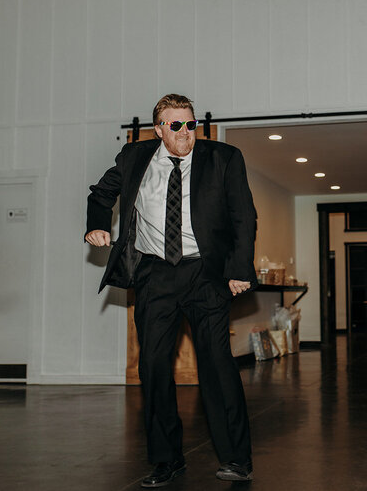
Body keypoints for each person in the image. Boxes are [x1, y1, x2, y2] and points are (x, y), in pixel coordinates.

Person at [85, 94, 258, 486]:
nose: (185, 132)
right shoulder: (134, 158)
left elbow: (243, 216)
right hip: (155, 275)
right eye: (175, 125)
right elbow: (101, 193)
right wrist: (97, 224)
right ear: (159, 128)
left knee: (217, 365)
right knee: (154, 367)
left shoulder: (224, 158)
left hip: (205, 273)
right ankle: (166, 460)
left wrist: (239, 269)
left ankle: (236, 458)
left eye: (190, 124)